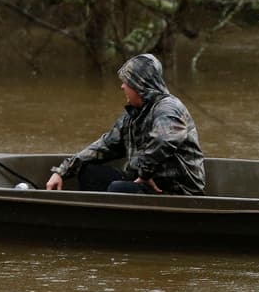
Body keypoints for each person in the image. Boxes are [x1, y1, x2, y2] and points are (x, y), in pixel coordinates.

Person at [45, 53, 206, 195]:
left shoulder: (169, 108)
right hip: (145, 184)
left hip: (177, 191)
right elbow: (104, 146)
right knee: (89, 172)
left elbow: (164, 140)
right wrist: (62, 171)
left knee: (118, 189)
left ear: (140, 85)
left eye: (127, 82)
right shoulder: (133, 116)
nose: (122, 87)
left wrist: (144, 174)